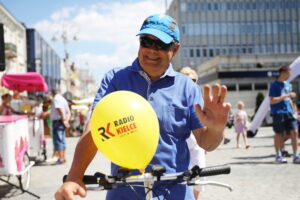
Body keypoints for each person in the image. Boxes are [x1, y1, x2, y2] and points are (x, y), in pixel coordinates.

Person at [55, 14, 231, 200]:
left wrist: (217, 129)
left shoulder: (188, 88)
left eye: (161, 45)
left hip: (175, 193)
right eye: (146, 41)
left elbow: (207, 143)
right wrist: (74, 176)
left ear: (175, 48)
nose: (152, 50)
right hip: (124, 192)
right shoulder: (115, 80)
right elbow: (95, 130)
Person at [179, 66, 206, 200]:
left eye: (194, 80)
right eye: (187, 80)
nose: (191, 83)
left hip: (197, 146)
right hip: (181, 146)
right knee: (183, 181)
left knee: (198, 181)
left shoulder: (199, 98)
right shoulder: (176, 98)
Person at [269, 65, 300, 164]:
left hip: (289, 112)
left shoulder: (287, 84)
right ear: (283, 73)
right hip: (278, 112)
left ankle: (296, 155)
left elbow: (289, 99)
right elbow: (272, 100)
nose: (290, 75)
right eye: (289, 73)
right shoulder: (274, 85)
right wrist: (286, 96)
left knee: (295, 132)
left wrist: (293, 108)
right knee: (279, 134)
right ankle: (278, 155)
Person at [50, 89, 71, 165]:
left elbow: (59, 109)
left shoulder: (56, 98)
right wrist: (66, 121)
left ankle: (61, 159)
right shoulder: (63, 99)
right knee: (62, 140)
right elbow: (68, 112)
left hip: (58, 122)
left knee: (58, 141)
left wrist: (64, 120)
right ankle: (63, 158)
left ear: (52, 93)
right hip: (61, 122)